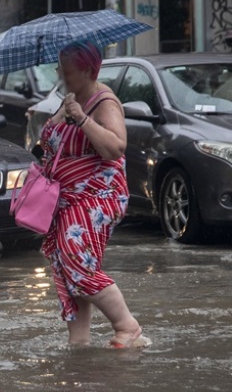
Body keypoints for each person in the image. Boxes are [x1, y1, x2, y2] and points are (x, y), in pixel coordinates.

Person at [39, 40, 150, 348]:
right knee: (67, 265)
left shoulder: (104, 102)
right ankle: (79, 342)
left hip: (98, 195)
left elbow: (116, 146)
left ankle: (127, 326)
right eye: (59, 66)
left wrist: (83, 119)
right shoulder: (68, 99)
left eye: (66, 67)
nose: (60, 72)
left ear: (87, 69)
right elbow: (52, 141)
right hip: (64, 197)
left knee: (75, 255)